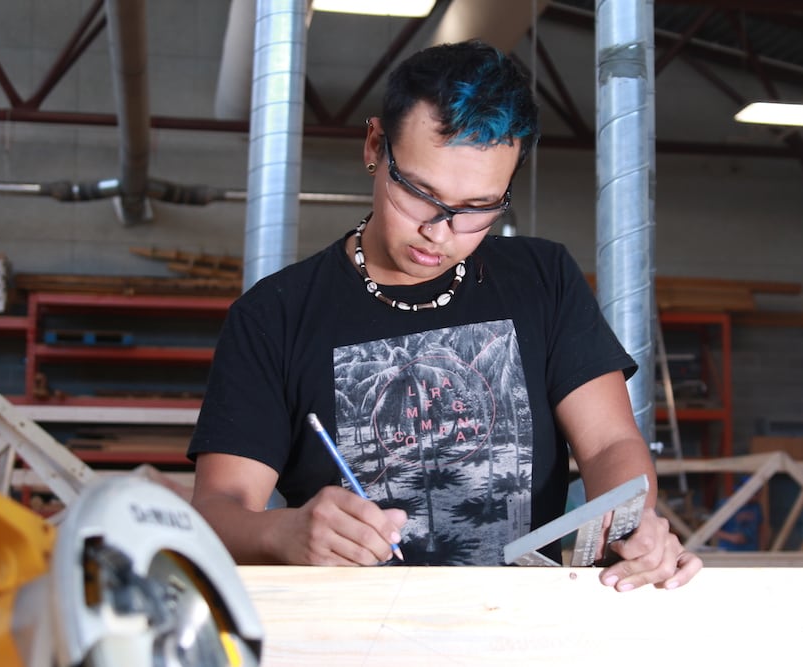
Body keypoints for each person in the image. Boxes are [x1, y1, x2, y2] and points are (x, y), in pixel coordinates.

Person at [188, 40, 702, 591]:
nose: (440, 231)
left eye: (478, 208)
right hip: (351, 637)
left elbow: (609, 445)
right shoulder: (274, 315)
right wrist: (283, 533)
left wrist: (636, 526)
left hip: (522, 628)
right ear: (374, 146)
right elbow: (219, 510)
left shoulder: (543, 278)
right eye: (420, 193)